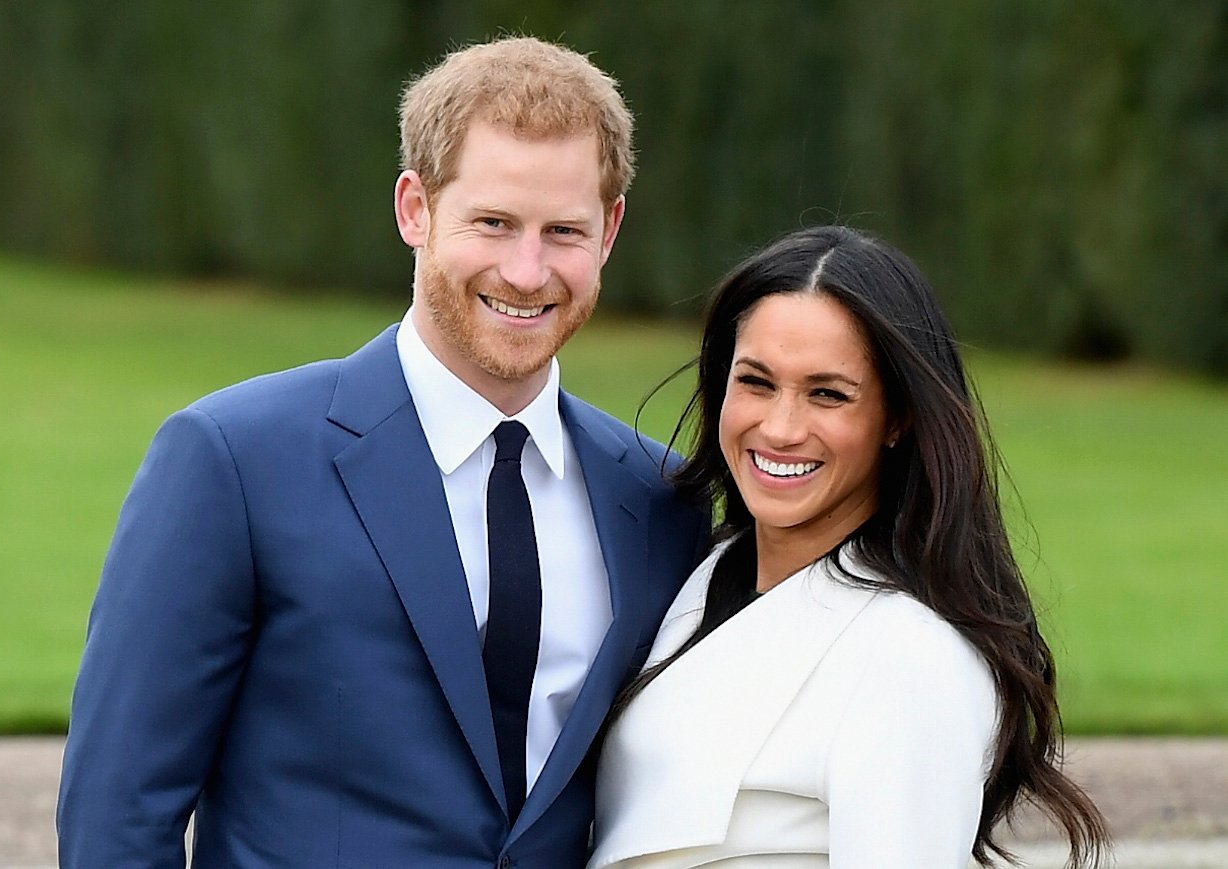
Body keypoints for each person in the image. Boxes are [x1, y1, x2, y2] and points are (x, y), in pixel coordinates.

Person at [57, 36, 708, 868]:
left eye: (564, 230)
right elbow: (118, 815)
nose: (527, 268)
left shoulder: (658, 498)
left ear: (610, 230)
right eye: (494, 222)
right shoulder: (233, 459)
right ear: (415, 209)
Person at [587, 226, 1109, 868]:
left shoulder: (913, 655)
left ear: (897, 419)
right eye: (756, 381)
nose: (779, 428)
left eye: (827, 394)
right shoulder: (696, 574)